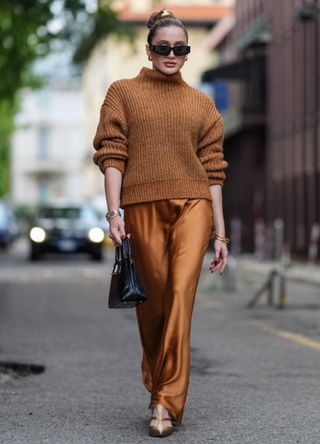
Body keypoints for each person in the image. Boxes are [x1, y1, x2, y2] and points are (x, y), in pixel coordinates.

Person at [93, 8, 229, 438]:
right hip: (141, 204)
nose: (172, 54)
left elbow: (214, 172)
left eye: (180, 48)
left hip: (194, 205)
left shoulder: (202, 104)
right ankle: (157, 385)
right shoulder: (122, 93)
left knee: (180, 295)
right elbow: (112, 154)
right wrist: (114, 212)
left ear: (188, 54)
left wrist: (220, 233)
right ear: (149, 49)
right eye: (163, 47)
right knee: (152, 305)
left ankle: (165, 404)